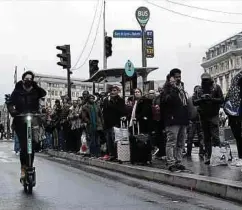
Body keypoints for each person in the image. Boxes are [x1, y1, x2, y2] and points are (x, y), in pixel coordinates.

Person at [6, 71, 46, 179]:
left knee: (32, 146)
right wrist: (13, 111)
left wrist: (36, 85)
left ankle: (30, 166)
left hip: (33, 119)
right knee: (24, 147)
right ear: (23, 79)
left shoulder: (35, 90)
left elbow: (43, 94)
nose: (29, 80)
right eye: (27, 78)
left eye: (30, 79)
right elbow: (10, 103)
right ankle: (23, 168)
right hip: (20, 120)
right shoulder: (17, 91)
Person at [161, 69, 189, 172]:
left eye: (179, 76)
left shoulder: (181, 89)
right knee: (172, 142)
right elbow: (166, 102)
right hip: (172, 120)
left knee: (181, 142)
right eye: (176, 77)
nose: (178, 78)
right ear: (171, 78)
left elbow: (184, 104)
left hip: (182, 119)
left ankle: (178, 162)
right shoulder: (167, 90)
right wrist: (174, 89)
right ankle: (171, 163)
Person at [193, 73, 223, 165]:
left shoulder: (216, 87)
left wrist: (211, 99)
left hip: (213, 115)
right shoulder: (198, 90)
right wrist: (202, 99)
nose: (205, 81)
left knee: (215, 137)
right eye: (204, 80)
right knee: (206, 138)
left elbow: (222, 99)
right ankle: (208, 156)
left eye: (207, 80)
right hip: (203, 116)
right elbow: (194, 102)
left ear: (210, 79)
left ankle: (217, 156)